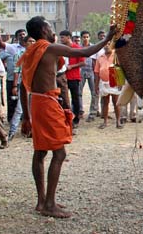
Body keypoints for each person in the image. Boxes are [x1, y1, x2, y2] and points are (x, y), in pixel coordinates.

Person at [17, 16, 116, 218]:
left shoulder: (31, 51)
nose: (54, 31)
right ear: (44, 30)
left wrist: (26, 117)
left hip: (36, 102)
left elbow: (22, 86)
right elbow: (85, 52)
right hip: (46, 103)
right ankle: (49, 204)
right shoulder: (49, 48)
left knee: (40, 152)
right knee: (59, 153)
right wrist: (108, 37)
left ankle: (42, 201)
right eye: (50, 27)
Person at [8, 35, 35, 140]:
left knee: (33, 108)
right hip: (23, 83)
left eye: (33, 41)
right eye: (29, 41)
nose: (32, 43)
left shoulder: (37, 54)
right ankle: (12, 131)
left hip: (34, 85)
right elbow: (16, 71)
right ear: (25, 43)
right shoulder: (20, 54)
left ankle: (32, 130)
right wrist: (15, 85)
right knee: (20, 108)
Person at [0, 28, 27, 123]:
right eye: (20, 35)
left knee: (24, 100)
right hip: (12, 78)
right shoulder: (13, 48)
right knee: (12, 99)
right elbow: (1, 45)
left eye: (23, 34)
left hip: (25, 79)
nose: (22, 36)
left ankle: (24, 118)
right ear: (17, 37)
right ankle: (11, 118)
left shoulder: (30, 48)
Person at [59, 30, 85, 129]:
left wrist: (72, 66)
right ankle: (65, 117)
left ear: (69, 37)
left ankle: (76, 119)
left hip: (73, 77)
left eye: (63, 37)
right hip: (62, 77)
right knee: (63, 99)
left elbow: (83, 63)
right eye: (60, 37)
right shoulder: (60, 49)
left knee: (75, 98)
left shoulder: (77, 48)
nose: (61, 39)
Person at [94, 44, 123, 129]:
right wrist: (96, 85)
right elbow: (96, 72)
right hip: (103, 82)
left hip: (114, 81)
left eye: (109, 44)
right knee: (105, 102)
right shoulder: (100, 57)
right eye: (105, 44)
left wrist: (120, 82)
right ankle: (105, 122)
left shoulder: (116, 55)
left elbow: (120, 69)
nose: (107, 46)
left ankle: (118, 121)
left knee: (116, 102)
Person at [80, 31, 99, 122]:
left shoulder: (93, 47)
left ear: (89, 38)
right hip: (81, 71)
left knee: (94, 92)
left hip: (91, 71)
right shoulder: (78, 48)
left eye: (87, 37)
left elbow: (95, 61)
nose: (85, 39)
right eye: (84, 37)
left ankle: (93, 112)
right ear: (81, 38)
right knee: (79, 92)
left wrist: (96, 73)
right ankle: (80, 111)